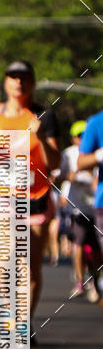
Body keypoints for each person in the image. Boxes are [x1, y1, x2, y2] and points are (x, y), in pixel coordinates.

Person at [0, 61, 61, 344]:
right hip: (2, 196)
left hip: (36, 198)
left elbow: (54, 163)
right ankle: (8, 321)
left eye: (25, 78)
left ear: (33, 83)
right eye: (13, 77)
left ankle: (24, 323)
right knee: (6, 262)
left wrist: (39, 137)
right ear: (5, 82)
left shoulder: (44, 116)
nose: (19, 83)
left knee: (29, 266)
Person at [60, 120, 101, 299]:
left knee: (97, 248)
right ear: (73, 138)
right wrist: (72, 177)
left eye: (85, 135)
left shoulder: (98, 151)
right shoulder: (69, 154)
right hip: (77, 208)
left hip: (97, 206)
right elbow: (58, 174)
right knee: (78, 243)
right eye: (79, 136)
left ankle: (94, 280)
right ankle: (79, 281)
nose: (83, 138)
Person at [77, 109, 103, 299]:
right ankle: (87, 280)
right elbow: (81, 162)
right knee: (82, 244)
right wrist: (98, 156)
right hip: (98, 204)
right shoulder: (96, 122)